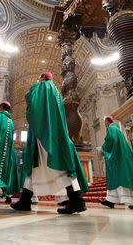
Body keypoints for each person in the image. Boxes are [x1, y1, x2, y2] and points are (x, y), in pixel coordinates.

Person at [11, 72, 88, 214]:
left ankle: (77, 200)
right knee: (35, 167)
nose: (38, 80)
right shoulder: (56, 92)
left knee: (59, 166)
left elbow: (32, 103)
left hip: (43, 133)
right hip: (54, 132)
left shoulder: (42, 87)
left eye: (39, 78)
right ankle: (25, 200)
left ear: (42, 78)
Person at [99, 116, 133, 210]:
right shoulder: (118, 130)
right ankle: (112, 201)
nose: (105, 125)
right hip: (123, 156)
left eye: (105, 123)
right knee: (130, 178)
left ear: (107, 121)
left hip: (118, 158)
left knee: (119, 178)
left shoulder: (111, 129)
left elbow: (110, 141)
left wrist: (103, 147)